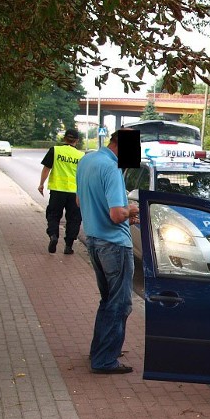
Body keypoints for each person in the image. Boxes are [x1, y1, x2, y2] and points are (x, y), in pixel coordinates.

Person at [75, 131, 139, 374]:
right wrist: (130, 210)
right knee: (120, 304)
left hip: (94, 240)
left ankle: (100, 351)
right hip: (114, 245)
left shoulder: (87, 160)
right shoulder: (111, 169)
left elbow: (81, 202)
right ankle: (104, 361)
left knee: (107, 300)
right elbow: (115, 214)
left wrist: (123, 217)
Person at [39, 128, 84, 254]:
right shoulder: (81, 156)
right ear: (77, 141)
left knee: (53, 215)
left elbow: (46, 169)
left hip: (57, 190)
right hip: (74, 193)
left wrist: (41, 184)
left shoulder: (55, 150)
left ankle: (53, 235)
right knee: (74, 219)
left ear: (64, 138)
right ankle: (68, 246)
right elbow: (83, 175)